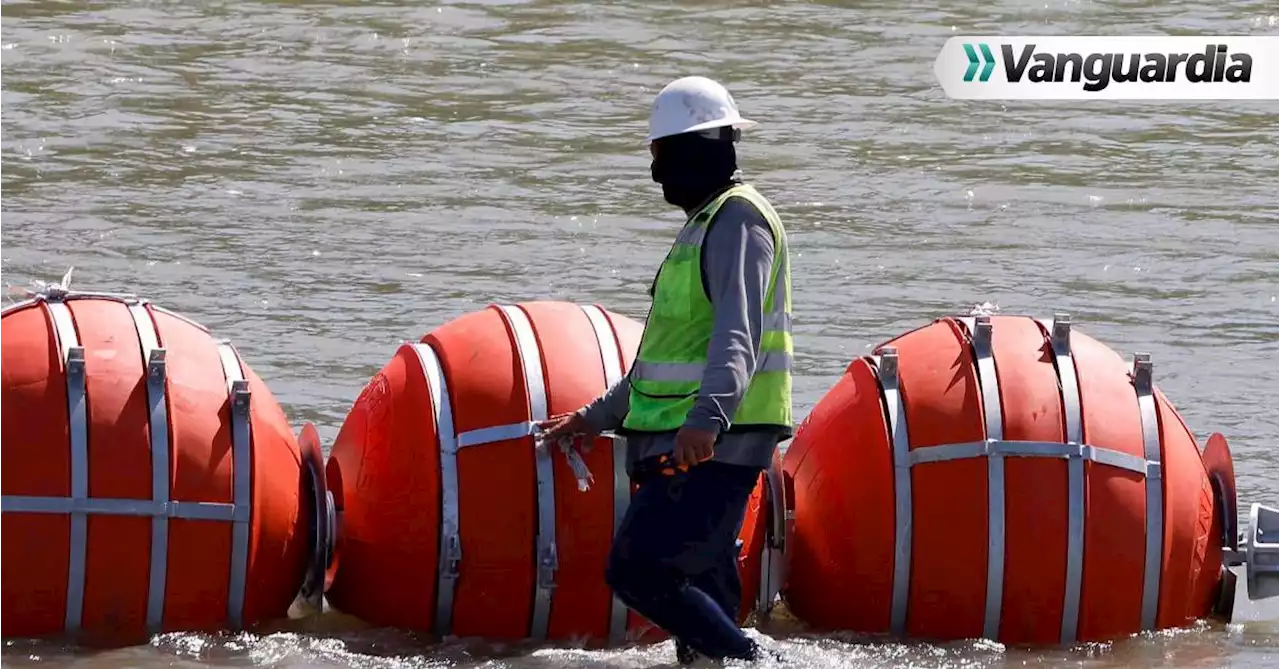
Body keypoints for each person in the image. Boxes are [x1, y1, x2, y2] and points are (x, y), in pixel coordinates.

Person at [536, 75, 793, 664]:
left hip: (711, 443)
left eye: (662, 156)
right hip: (682, 437)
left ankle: (758, 664)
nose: (656, 174)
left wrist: (708, 419)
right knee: (700, 588)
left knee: (638, 568)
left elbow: (739, 331)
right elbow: (657, 365)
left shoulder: (738, 219)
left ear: (696, 150)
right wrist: (590, 417)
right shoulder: (700, 226)